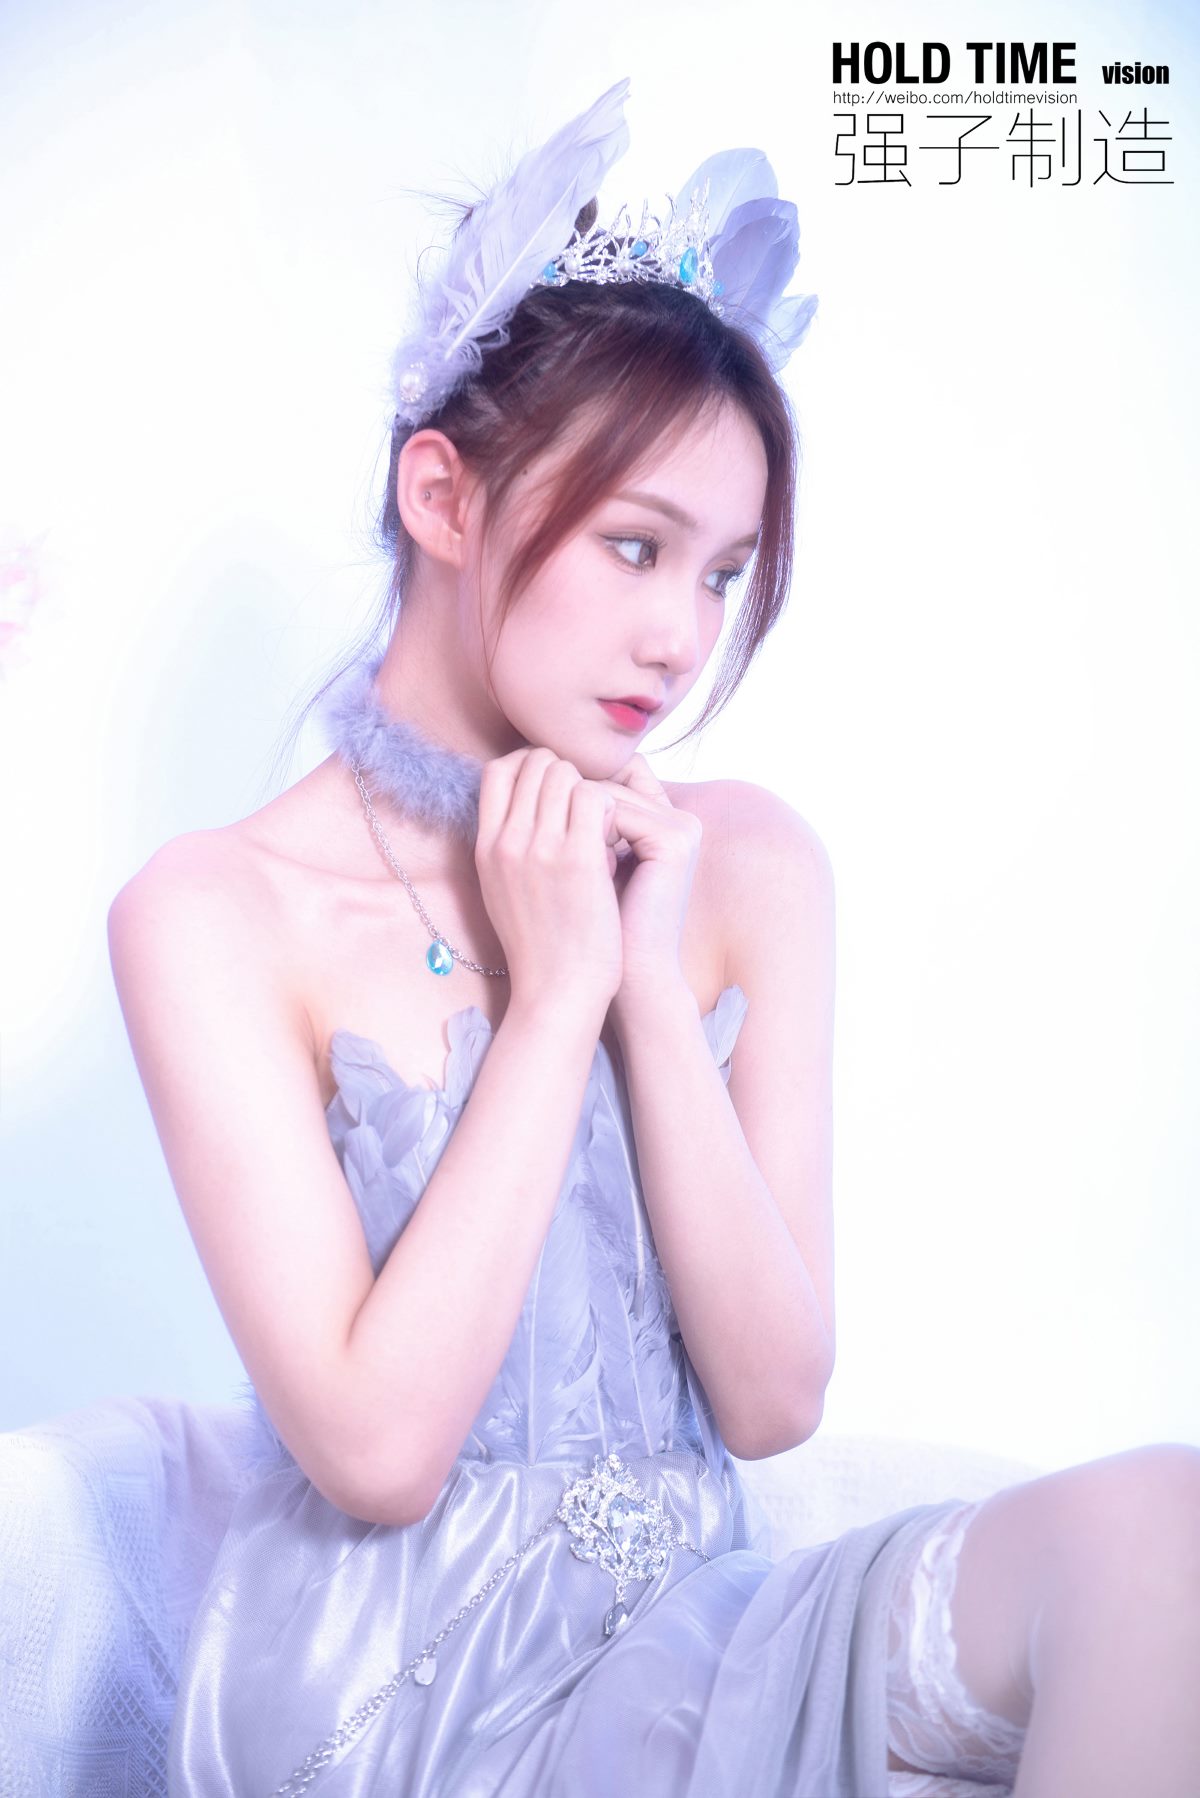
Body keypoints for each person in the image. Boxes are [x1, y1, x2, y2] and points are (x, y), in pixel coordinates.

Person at [2, 74, 1197, 1798]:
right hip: (402, 1705)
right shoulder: (214, 915)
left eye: (719, 573)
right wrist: (556, 996)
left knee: (1164, 1533)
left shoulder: (743, 864)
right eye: (637, 547)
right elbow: (378, 1449)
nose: (680, 639)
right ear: (442, 496)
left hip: (719, 1636)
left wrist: (641, 975)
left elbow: (773, 1396)